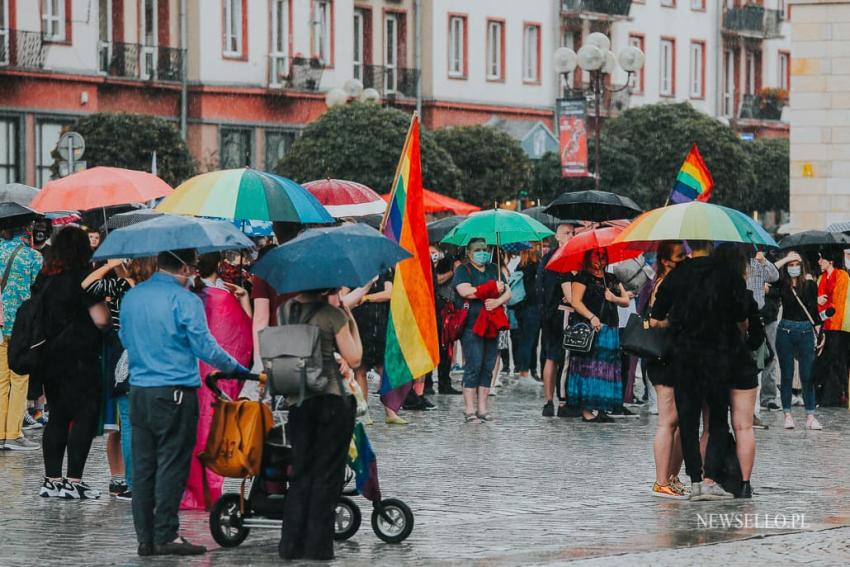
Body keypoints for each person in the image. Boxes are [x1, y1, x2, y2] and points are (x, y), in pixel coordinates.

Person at [120, 248, 249, 557]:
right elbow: (205, 346)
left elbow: (124, 337)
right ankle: (166, 534)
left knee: (143, 465)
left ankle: (145, 538)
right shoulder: (185, 300)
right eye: (190, 266)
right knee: (172, 464)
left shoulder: (133, 296)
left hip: (139, 391)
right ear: (184, 266)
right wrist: (236, 368)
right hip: (175, 391)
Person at [651, 241, 749, 501]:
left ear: (690, 245)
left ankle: (694, 481)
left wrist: (682, 318)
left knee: (688, 421)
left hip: (684, 356)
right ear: (710, 243)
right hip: (718, 356)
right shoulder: (728, 274)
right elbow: (742, 311)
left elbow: (657, 312)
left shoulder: (678, 274)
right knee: (717, 419)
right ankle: (710, 479)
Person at [278, 290, 362, 561]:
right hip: (331, 400)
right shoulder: (332, 315)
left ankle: (290, 544)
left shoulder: (284, 312)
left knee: (300, 472)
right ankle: (318, 546)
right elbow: (356, 357)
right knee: (327, 475)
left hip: (297, 400)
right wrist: (351, 322)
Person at [34, 227, 111, 499]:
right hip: (81, 356)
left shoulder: (44, 278)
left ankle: (51, 480)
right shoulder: (84, 279)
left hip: (50, 356)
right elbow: (101, 319)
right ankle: (74, 481)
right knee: (83, 416)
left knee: (57, 416)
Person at [181, 252, 253, 510]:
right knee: (213, 430)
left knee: (190, 430)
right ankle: (209, 488)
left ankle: (186, 490)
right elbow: (245, 337)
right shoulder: (226, 297)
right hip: (219, 376)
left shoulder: (188, 295)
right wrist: (244, 299)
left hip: (190, 375)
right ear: (220, 265)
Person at [83, 257, 156, 500]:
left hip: (124, 356)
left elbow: (87, 285)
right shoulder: (157, 288)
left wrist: (108, 266)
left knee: (128, 423)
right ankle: (150, 481)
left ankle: (133, 484)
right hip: (152, 357)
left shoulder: (123, 286)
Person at [715, 243, 763, 500]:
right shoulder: (746, 297)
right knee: (744, 427)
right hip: (742, 365)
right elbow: (757, 340)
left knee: (712, 426)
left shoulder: (711, 295)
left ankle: (707, 480)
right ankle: (744, 483)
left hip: (716, 365)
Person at [566, 249, 630, 423]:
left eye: (603, 256)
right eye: (596, 256)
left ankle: (602, 407)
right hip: (590, 329)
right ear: (588, 257)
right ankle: (587, 410)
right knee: (589, 367)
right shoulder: (582, 277)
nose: (600, 260)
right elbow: (576, 302)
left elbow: (626, 301)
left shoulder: (611, 279)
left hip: (610, 328)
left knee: (606, 369)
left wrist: (613, 298)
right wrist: (592, 317)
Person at [646, 242, 688, 498]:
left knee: (682, 421)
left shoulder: (675, 281)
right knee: (668, 421)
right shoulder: (663, 284)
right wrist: (675, 319)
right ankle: (661, 480)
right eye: (679, 256)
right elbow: (655, 320)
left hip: (677, 356)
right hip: (664, 357)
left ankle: (672, 477)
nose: (684, 260)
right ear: (665, 260)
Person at [453, 238, 511, 423]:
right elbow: (466, 292)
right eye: (478, 250)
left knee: (488, 367)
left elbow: (507, 291)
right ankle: (469, 409)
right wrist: (490, 288)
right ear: (469, 253)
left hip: (492, 324)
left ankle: (482, 408)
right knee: (473, 366)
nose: (483, 253)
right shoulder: (463, 270)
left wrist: (497, 301)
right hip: (472, 326)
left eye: (485, 249)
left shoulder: (494, 269)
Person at [0, 226, 43, 451]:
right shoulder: (32, 256)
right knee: (19, 380)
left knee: (0, 381)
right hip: (21, 327)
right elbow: (39, 287)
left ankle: (0, 433)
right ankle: (13, 435)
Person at [771, 251, 823, 430]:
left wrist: (820, 333)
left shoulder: (809, 284)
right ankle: (787, 414)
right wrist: (785, 258)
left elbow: (814, 310)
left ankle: (810, 416)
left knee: (807, 375)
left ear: (802, 266)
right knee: (786, 374)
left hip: (805, 332)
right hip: (785, 331)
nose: (794, 267)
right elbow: (770, 272)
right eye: (790, 265)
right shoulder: (783, 284)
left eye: (796, 264)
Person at [538, 223, 577, 417]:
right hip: (556, 314)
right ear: (557, 236)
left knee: (563, 358)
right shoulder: (552, 258)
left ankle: (561, 400)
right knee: (553, 357)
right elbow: (544, 287)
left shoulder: (575, 255)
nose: (571, 235)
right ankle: (551, 401)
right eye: (567, 233)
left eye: (573, 233)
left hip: (564, 313)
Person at [746, 251, 779, 428]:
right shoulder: (734, 265)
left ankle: (754, 411)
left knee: (759, 362)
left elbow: (775, 276)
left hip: (757, 316)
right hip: (739, 317)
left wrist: (763, 260)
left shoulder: (758, 264)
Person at [814, 250, 850, 407]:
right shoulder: (821, 278)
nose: (819, 261)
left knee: (838, 360)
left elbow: (838, 301)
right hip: (825, 325)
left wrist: (824, 312)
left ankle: (841, 393)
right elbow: (817, 301)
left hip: (838, 326)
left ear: (831, 260)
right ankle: (826, 395)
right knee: (825, 361)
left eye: (822, 258)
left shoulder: (842, 276)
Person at [432, 245, 461, 395]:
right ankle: (427, 384)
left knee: (447, 346)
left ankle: (445, 382)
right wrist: (452, 271)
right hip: (439, 306)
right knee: (435, 345)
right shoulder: (440, 263)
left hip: (452, 307)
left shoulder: (457, 260)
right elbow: (436, 280)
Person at [513, 246, 542, 381]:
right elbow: (535, 290)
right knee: (531, 341)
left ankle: (525, 369)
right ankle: (528, 371)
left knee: (525, 339)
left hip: (520, 308)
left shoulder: (520, 266)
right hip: (532, 307)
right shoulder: (535, 266)